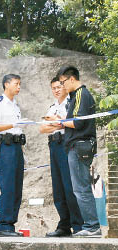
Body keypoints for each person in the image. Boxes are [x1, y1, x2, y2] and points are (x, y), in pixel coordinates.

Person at [58, 66, 101, 237]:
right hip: (78, 146)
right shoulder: (77, 95)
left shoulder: (81, 94)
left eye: (63, 82)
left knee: (81, 188)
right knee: (81, 187)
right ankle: (91, 225)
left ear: (72, 79)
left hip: (79, 146)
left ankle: (92, 226)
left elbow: (77, 122)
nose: (62, 86)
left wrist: (59, 121)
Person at [39, 77, 83, 237]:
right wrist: (56, 123)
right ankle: (64, 224)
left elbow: (67, 124)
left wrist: (57, 123)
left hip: (66, 144)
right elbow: (42, 129)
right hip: (53, 145)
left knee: (70, 186)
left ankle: (78, 225)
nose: (56, 90)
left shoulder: (70, 104)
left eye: (59, 87)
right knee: (58, 188)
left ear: (65, 86)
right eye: (53, 88)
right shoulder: (53, 107)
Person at [0, 74, 27, 237]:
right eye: (16, 84)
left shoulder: (14, 104)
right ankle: (3, 224)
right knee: (8, 185)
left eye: (19, 84)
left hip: (17, 146)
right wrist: (14, 124)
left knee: (17, 186)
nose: (18, 87)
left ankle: (10, 224)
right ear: (6, 84)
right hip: (6, 146)